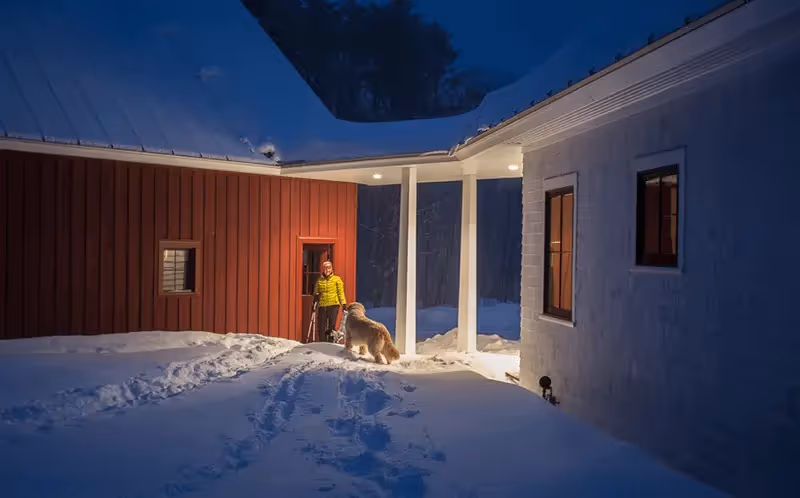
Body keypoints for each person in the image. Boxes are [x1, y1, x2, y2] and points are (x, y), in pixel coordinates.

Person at [313, 261, 347, 342]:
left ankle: (331, 342)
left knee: (331, 325)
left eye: (329, 268)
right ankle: (322, 341)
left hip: (333, 304)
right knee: (321, 325)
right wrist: (315, 299)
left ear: (331, 269)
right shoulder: (319, 280)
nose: (327, 270)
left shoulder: (336, 279)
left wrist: (344, 303)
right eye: (325, 268)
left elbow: (340, 292)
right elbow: (316, 291)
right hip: (323, 304)